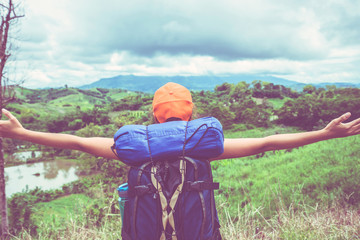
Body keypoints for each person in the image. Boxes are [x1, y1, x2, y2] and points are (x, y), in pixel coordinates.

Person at [0, 82, 360, 161]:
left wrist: (21, 132)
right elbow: (269, 140)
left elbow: (75, 141)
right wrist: (325, 135)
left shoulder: (130, 146)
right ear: (190, 113)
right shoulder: (206, 144)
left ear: (153, 115)